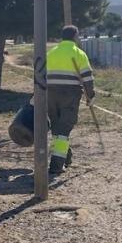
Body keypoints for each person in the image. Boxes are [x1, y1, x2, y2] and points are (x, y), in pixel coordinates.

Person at [45, 25, 95, 176]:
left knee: (57, 127)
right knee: (64, 129)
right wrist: (90, 96)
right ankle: (56, 166)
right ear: (75, 36)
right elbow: (87, 78)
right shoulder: (79, 54)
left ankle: (67, 158)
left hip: (50, 94)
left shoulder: (51, 53)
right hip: (70, 95)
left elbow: (41, 74)